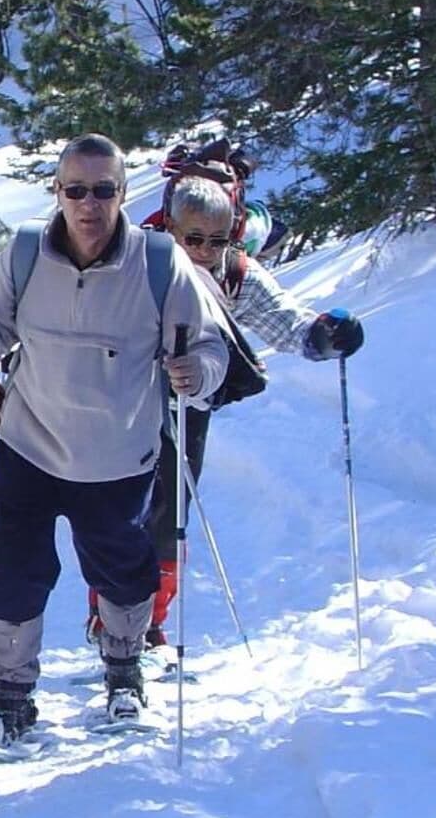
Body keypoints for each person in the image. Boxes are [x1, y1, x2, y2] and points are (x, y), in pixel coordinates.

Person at [0, 133, 227, 739]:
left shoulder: (158, 261)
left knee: (123, 569)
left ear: (124, 193)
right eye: (76, 190)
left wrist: (196, 371)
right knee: (13, 571)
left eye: (103, 190)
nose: (89, 203)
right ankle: (11, 691)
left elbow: (207, 346)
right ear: (58, 192)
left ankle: (124, 671)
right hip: (28, 446)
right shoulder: (24, 253)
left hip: (118, 454)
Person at [139, 174, 364, 650]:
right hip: (123, 400)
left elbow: (289, 325)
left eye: (216, 240)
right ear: (170, 227)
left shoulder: (235, 273)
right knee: (119, 514)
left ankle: (148, 625)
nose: (203, 250)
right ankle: (115, 628)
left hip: (190, 401)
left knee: (168, 514)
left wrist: (327, 336)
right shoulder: (138, 261)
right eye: (193, 238)